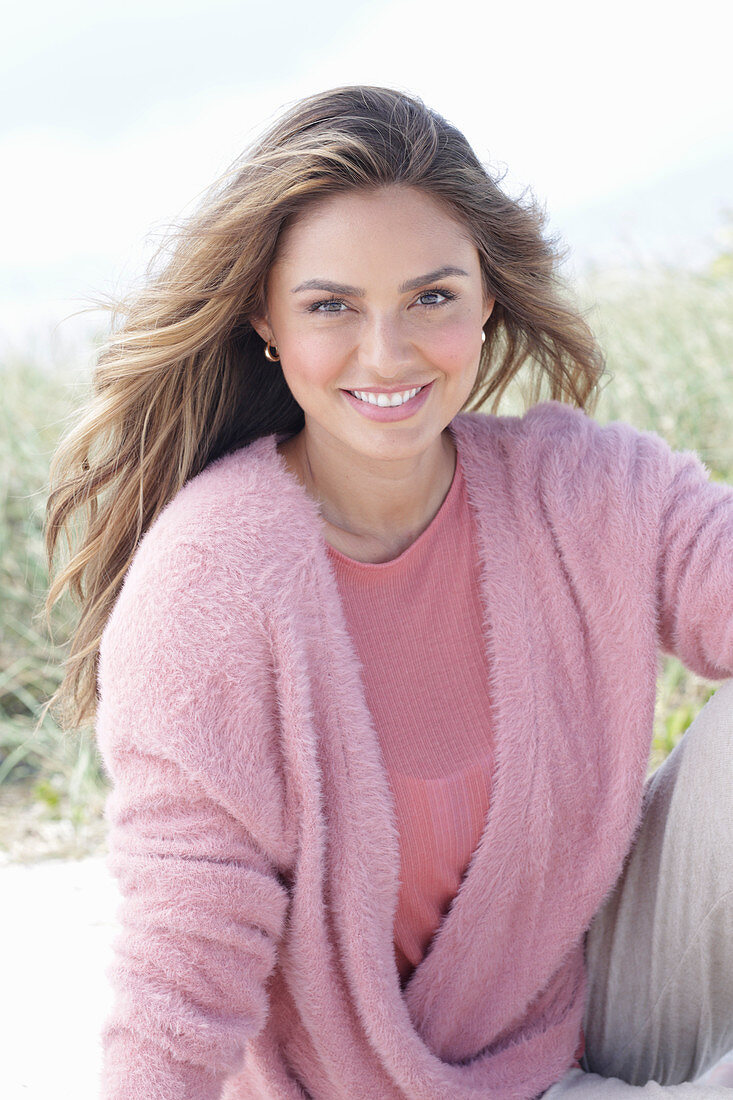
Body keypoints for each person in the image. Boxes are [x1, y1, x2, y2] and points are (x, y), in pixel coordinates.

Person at [43, 85, 733, 1099]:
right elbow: (182, 959)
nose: (387, 351)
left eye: (431, 296)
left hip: (566, 1033)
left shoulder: (582, 491)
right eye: (331, 306)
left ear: (486, 295)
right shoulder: (209, 579)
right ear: (266, 321)